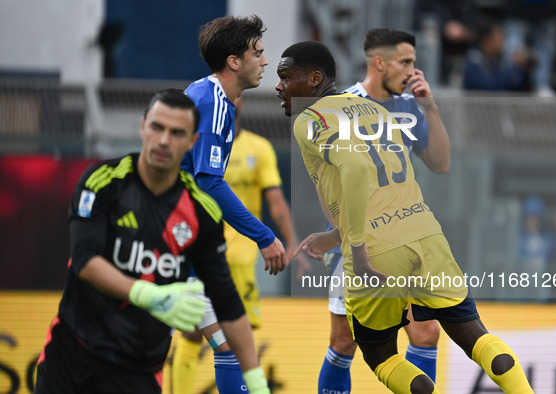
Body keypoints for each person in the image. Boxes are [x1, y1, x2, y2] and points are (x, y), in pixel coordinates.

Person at [277, 40, 534, 393]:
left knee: (379, 355)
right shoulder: (380, 111)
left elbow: (353, 169)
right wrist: (334, 235)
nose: (279, 86)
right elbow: (388, 190)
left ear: (314, 79)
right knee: (475, 336)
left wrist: (355, 245)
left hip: (375, 250)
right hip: (425, 234)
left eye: (285, 77)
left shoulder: (311, 119)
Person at [34, 89, 270, 394]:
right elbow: (84, 260)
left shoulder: (202, 211)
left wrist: (255, 379)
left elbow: (225, 298)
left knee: (221, 342)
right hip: (72, 359)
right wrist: (148, 294)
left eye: (177, 133)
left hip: (138, 372)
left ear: (192, 142)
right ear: (142, 125)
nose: (163, 140)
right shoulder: (102, 182)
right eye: (157, 127)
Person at [312, 28, 450, 393]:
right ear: (380, 62)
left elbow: (439, 163)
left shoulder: (407, 107)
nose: (412, 71)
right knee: (345, 342)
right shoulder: (341, 107)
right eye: (405, 62)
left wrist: (430, 108)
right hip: (360, 244)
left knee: (426, 331)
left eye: (414, 62)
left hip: (405, 239)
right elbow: (325, 182)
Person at [175, 15, 286, 394]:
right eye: (258, 53)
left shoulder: (207, 94)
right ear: (234, 62)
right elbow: (208, 182)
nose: (265, 62)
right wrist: (264, 235)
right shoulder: (215, 103)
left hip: (182, 237)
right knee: (227, 346)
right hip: (173, 240)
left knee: (226, 346)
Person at [172, 97, 310, 393]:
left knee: (235, 341)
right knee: (192, 334)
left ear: (241, 104)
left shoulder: (258, 148)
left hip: (243, 258)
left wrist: (292, 240)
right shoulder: (198, 144)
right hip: (203, 255)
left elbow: (276, 203)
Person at [463, 18, 534, 91]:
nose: (503, 42)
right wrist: (516, 66)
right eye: (499, 38)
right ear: (487, 40)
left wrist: (524, 70)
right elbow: (491, 88)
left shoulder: (497, 60)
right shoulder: (474, 60)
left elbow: (514, 88)